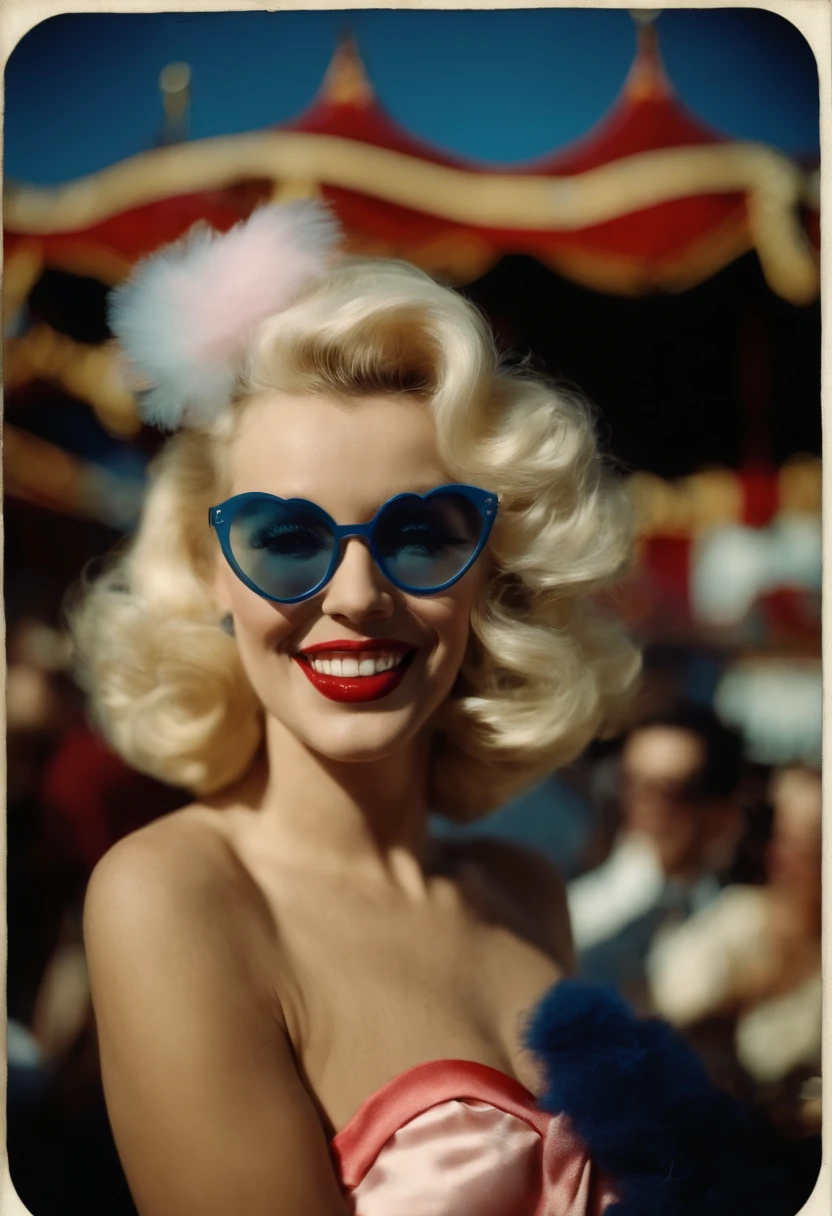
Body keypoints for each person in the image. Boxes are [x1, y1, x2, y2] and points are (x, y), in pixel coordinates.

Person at [70, 205, 800, 1216]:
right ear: (211, 573)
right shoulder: (175, 896)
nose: (358, 594)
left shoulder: (523, 887)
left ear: (492, 575)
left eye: (422, 532)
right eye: (285, 536)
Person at [647, 764, 822, 1135]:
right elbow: (674, 997)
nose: (783, 853)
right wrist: (738, 991)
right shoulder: (739, 920)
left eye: (809, 842)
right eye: (780, 834)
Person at [567, 705, 745, 1004]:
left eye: (669, 792)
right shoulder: (569, 899)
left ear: (721, 811)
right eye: (632, 784)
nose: (644, 807)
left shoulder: (737, 922)